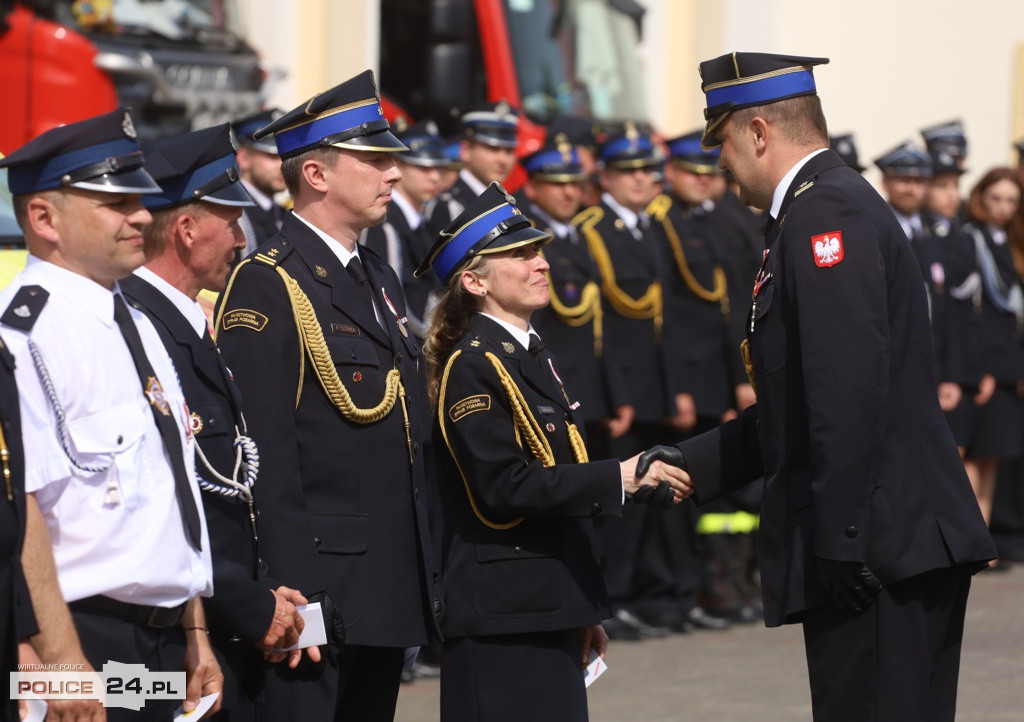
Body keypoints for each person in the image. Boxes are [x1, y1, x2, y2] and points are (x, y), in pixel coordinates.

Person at [639, 52, 996, 721]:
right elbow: (799, 401)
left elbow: (847, 391)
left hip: (879, 551)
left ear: (759, 133)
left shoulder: (826, 214)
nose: (717, 163)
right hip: (884, 539)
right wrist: (689, 465)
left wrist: (842, 537)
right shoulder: (815, 209)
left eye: (721, 143)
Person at [414, 181, 691, 722]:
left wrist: (580, 603)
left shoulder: (529, 353)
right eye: (519, 255)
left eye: (537, 250)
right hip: (505, 615)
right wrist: (621, 477)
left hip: (545, 604)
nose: (540, 263)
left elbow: (557, 480)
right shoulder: (473, 364)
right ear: (474, 280)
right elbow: (503, 487)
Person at [214, 70, 442, 720]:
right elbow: (264, 453)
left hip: (385, 581)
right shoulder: (268, 283)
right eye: (374, 161)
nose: (393, 174)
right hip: (318, 585)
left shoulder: (376, 274)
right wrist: (293, 591)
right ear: (316, 174)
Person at [0, 108, 221, 720]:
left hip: (159, 643)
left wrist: (194, 634)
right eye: (115, 203)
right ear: (44, 218)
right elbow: (25, 514)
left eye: (141, 201)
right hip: (79, 641)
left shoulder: (139, 322)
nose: (143, 216)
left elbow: (172, 492)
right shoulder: (24, 336)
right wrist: (66, 667)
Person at [121, 124, 315, 720]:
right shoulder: (138, 325)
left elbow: (232, 480)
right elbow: (161, 498)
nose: (240, 240)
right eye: (231, 223)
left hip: (221, 616)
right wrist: (247, 602)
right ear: (185, 229)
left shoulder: (188, 320)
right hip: (162, 633)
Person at [573, 121, 678, 639]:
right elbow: (601, 326)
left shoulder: (653, 227)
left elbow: (666, 318)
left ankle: (638, 594)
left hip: (651, 386)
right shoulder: (593, 230)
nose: (641, 181)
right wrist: (618, 394)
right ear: (606, 178)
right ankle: (612, 598)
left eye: (647, 171)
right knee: (614, 502)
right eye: (627, 172)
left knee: (647, 501)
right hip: (619, 387)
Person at [958, 168, 1024, 535]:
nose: (1003, 207)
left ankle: (981, 538)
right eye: (996, 198)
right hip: (983, 365)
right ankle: (969, 538)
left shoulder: (1009, 240)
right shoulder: (972, 239)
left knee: (993, 458)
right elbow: (970, 314)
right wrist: (978, 368)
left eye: (1011, 200)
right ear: (981, 197)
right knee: (974, 456)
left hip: (1007, 365)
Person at [361, 117, 448, 342]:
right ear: (397, 165)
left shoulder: (424, 224)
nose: (435, 177)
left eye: (439, 167)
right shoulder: (386, 224)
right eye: (423, 167)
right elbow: (386, 303)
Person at [424, 100, 519, 235]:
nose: (503, 160)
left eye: (509, 151)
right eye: (492, 149)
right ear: (466, 150)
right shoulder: (449, 207)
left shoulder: (506, 202)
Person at [232, 108, 288, 256]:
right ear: (244, 158)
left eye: (286, 157)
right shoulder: (233, 217)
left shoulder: (284, 214)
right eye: (273, 156)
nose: (282, 165)